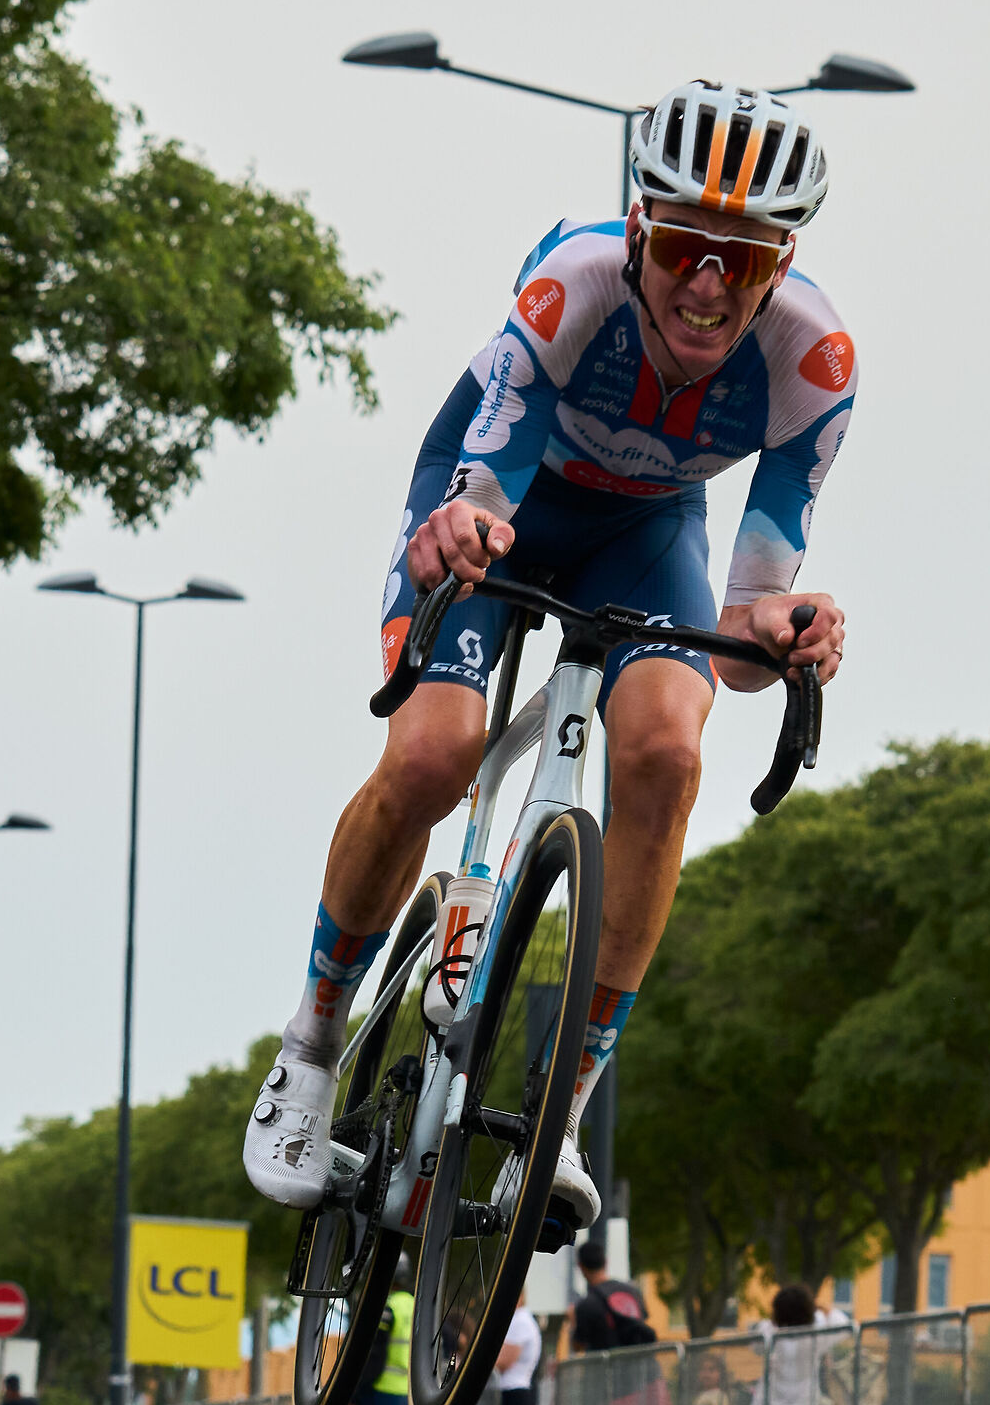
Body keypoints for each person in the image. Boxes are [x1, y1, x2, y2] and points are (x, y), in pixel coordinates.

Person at [245, 80, 850, 1243]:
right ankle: (311, 1049)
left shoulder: (814, 363)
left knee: (671, 755)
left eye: (746, 257)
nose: (710, 284)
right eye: (684, 247)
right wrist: (460, 530)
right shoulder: (569, 284)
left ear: (781, 265)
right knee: (434, 754)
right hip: (500, 501)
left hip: (647, 536)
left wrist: (786, 633)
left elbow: (747, 630)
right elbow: (487, 471)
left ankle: (559, 1109)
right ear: (638, 233)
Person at [570, 1240, 675, 1405]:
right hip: (649, 1375)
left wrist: (572, 1322)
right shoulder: (632, 1291)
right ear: (606, 1262)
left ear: (581, 1267)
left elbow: (578, 1346)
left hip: (613, 1386)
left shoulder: (586, 1305)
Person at [745, 1283, 852, 1405]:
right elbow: (843, 1324)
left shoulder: (768, 1331)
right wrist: (821, 1307)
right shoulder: (817, 1333)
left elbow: (754, 1346)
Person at [351, 1253, 415, 1405]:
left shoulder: (387, 1308)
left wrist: (355, 1394)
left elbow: (373, 1355)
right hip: (405, 1394)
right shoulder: (415, 1305)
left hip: (380, 1391)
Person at [494, 1293, 540, 1405]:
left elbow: (504, 1361)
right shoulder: (522, 1319)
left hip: (514, 1391)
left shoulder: (519, 1321)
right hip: (516, 1390)